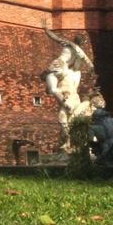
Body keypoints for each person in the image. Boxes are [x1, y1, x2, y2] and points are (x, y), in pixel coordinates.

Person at [41, 20, 94, 150]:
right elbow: (90, 65)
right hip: (64, 68)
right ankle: (66, 105)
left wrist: (46, 29)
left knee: (53, 89)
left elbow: (55, 37)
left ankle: (65, 104)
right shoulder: (80, 52)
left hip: (57, 64)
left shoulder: (68, 43)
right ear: (83, 43)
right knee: (53, 90)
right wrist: (91, 72)